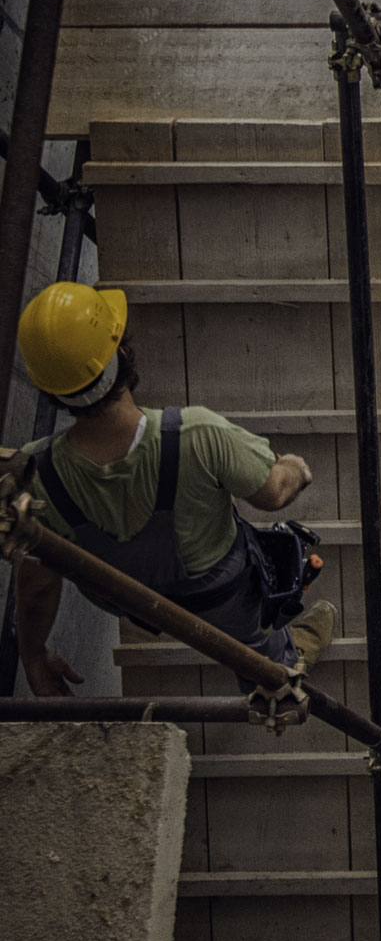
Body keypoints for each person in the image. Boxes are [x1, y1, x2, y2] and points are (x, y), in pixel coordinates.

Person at [12, 282, 335, 697]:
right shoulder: (199, 435)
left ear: (50, 389)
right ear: (122, 355)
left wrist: (34, 657)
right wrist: (294, 469)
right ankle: (282, 670)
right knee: (258, 643)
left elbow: (37, 586)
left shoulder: (36, 475)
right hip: (221, 601)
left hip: (134, 605)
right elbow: (272, 495)